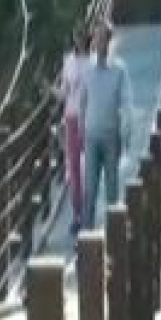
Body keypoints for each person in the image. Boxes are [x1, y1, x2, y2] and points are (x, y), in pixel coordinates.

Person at [81, 19, 133, 229]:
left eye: (103, 38)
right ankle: (86, 234)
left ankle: (113, 235)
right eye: (96, 38)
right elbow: (83, 100)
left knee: (112, 190)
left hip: (112, 136)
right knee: (90, 189)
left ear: (109, 41)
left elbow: (127, 103)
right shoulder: (87, 68)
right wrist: (81, 130)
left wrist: (127, 134)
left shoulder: (119, 70)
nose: (99, 42)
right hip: (91, 136)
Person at [56, 28, 93, 235]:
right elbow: (64, 93)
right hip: (71, 117)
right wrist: (48, 89)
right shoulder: (68, 61)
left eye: (81, 37)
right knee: (74, 168)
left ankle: (88, 211)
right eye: (76, 37)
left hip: (90, 118)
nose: (78, 40)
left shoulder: (95, 62)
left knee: (89, 167)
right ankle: (77, 214)